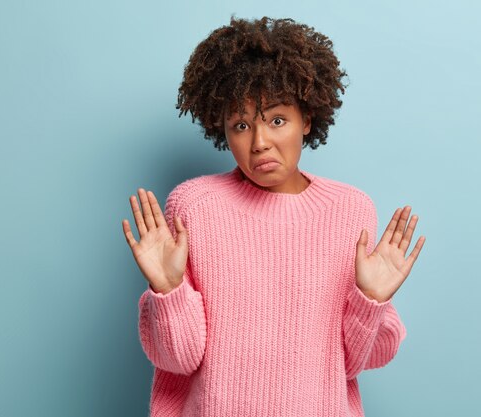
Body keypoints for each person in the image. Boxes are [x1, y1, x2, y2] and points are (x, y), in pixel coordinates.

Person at [122, 16, 425, 417]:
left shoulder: (351, 211)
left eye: (277, 120)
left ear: (308, 120)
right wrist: (169, 290)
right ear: (222, 130)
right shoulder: (193, 208)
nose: (260, 142)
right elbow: (180, 362)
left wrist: (371, 302)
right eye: (241, 125)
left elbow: (352, 365)